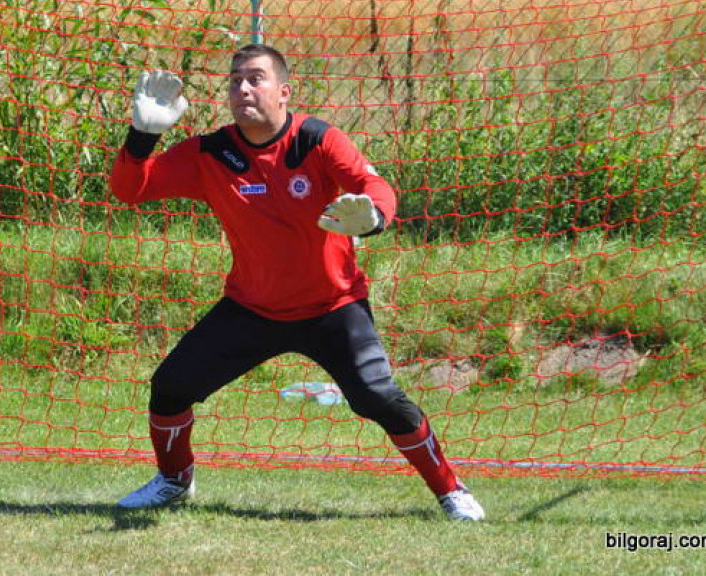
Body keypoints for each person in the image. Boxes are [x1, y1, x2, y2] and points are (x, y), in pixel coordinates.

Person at [109, 44, 485, 521]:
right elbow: (130, 190)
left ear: (284, 92)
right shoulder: (212, 152)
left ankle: (451, 490)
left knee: (379, 399)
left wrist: (371, 216)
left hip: (333, 306)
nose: (242, 88)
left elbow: (379, 189)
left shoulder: (318, 140)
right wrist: (142, 137)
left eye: (255, 79)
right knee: (169, 388)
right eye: (235, 80)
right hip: (252, 309)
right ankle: (174, 480)